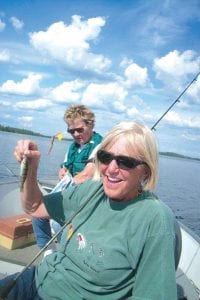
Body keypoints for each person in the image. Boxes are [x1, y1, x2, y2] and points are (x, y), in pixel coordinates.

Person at [0, 121, 177, 299]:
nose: (111, 169)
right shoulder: (92, 189)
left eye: (125, 162)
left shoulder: (155, 219)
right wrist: (30, 168)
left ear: (146, 172)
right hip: (37, 280)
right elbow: (35, 206)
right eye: (105, 157)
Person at [32, 104, 103, 256]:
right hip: (71, 190)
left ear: (91, 124)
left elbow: (87, 175)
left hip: (88, 196)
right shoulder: (73, 147)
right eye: (71, 131)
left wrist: (61, 194)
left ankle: (67, 253)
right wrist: (63, 172)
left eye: (79, 129)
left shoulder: (101, 145)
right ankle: (48, 253)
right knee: (38, 213)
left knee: (57, 222)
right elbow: (63, 168)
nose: (76, 134)